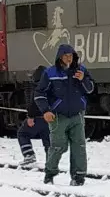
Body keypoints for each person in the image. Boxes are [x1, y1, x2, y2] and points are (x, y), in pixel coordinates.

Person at [34, 44, 94, 186]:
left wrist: (83, 79)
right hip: (57, 116)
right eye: (66, 55)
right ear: (60, 57)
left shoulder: (81, 70)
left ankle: (79, 176)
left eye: (71, 55)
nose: (69, 58)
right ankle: (50, 173)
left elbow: (90, 89)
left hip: (77, 115)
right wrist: (46, 111)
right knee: (58, 146)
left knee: (79, 146)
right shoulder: (50, 73)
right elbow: (39, 93)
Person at [17, 66, 50, 167]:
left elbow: (33, 103)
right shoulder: (53, 87)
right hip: (50, 118)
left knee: (22, 133)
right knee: (47, 140)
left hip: (37, 118)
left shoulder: (37, 88)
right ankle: (51, 160)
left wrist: (30, 117)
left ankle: (29, 155)